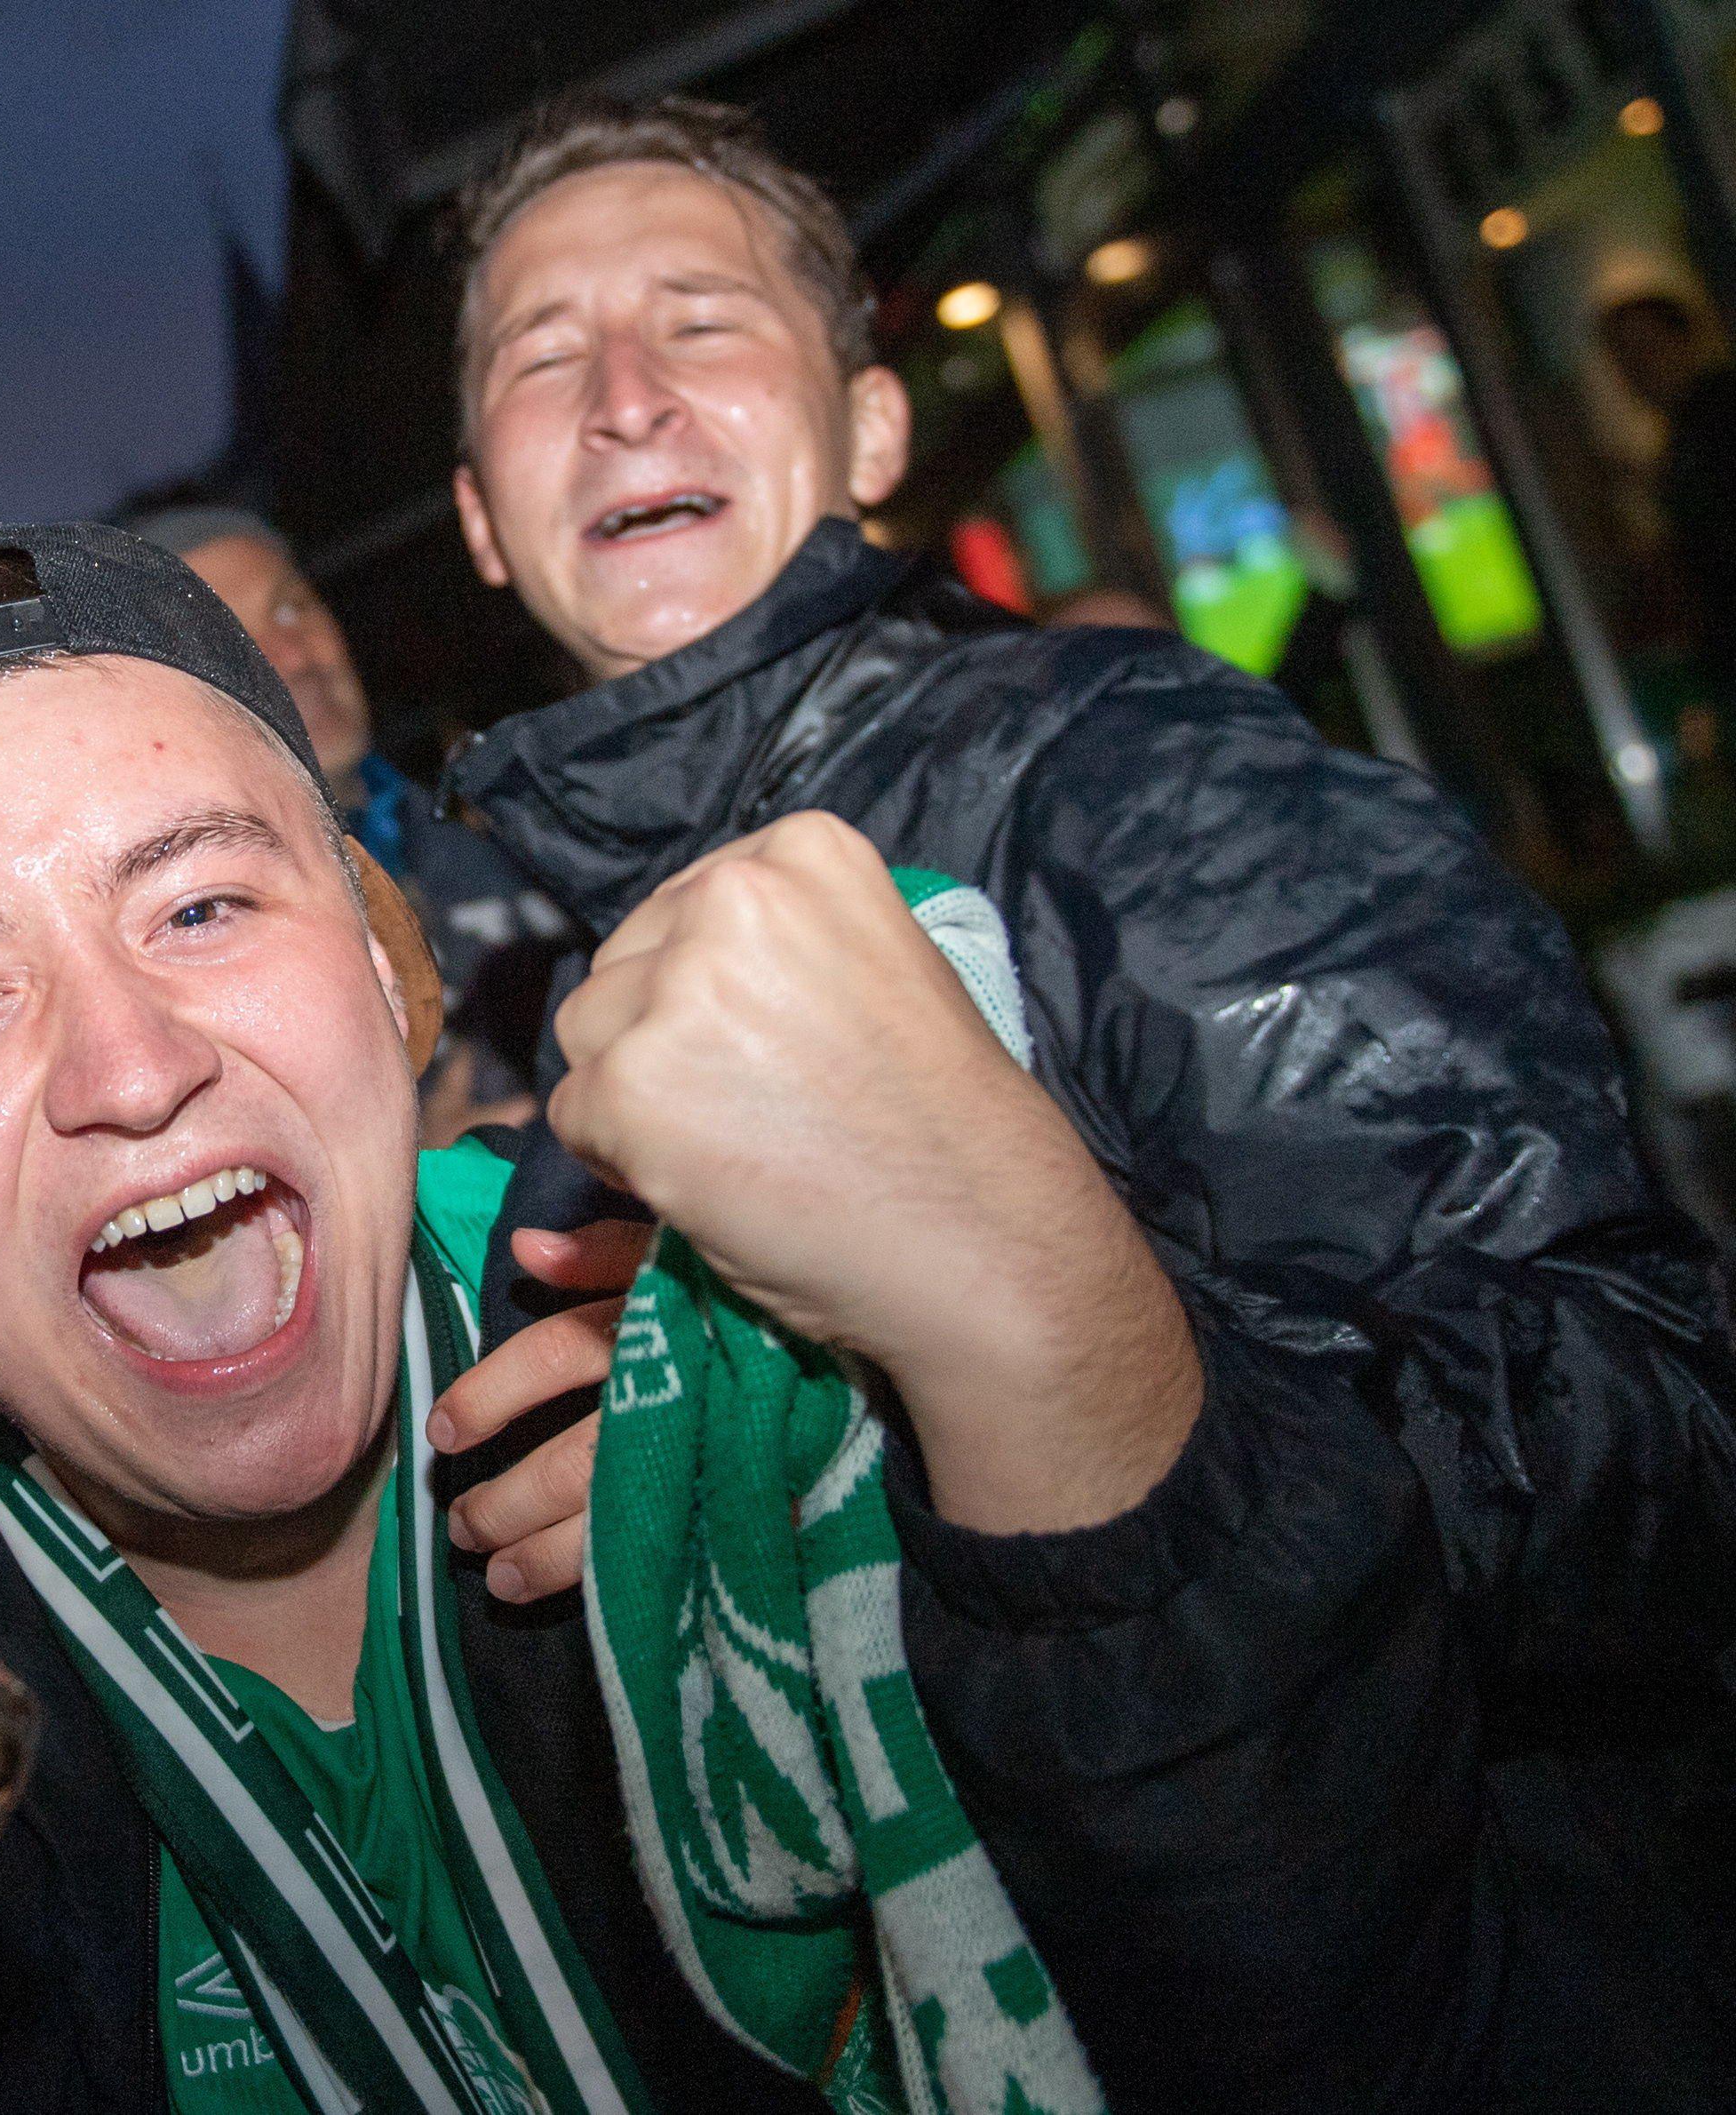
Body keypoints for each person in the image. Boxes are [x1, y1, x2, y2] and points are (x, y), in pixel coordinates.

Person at [0, 518, 1295, 2115]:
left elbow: (1364, 1989)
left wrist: (1067, 1368)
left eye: (201, 904)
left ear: (389, 971)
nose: (125, 1065)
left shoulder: (798, 1377)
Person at [434, 92, 1736, 2110]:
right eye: (542, 354)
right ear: (477, 516)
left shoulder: (1126, 772)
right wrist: (702, 1438)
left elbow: (1642, 1432)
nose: (619, 397)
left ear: (871, 432)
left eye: (700, 318)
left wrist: (972, 1362)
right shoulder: (571, 983)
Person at [117, 503, 575, 1140]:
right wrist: (409, 1164)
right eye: (229, 640)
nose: (294, 655)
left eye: (290, 608)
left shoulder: (507, 817)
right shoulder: (187, 934)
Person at [1598, 290, 1736, 698]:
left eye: (1650, 346)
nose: (1640, 365)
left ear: (1686, 341)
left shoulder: (1715, 416)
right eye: (1625, 355)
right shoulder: (1686, 431)